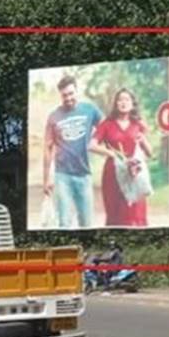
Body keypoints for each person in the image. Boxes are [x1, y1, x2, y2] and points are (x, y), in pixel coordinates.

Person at [43, 74, 103, 229]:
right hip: (63, 175)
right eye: (64, 95)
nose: (68, 98)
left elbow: (106, 128)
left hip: (84, 174)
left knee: (86, 222)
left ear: (77, 91)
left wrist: (100, 144)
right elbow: (48, 148)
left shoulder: (90, 110)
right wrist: (46, 179)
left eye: (71, 94)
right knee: (64, 222)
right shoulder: (54, 116)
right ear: (60, 96)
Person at [91, 87, 154, 227]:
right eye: (120, 100)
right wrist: (110, 153)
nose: (123, 102)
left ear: (132, 104)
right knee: (115, 214)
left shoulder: (138, 124)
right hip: (113, 173)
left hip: (134, 173)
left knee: (136, 214)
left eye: (126, 99)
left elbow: (149, 153)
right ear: (115, 104)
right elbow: (91, 145)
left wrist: (143, 140)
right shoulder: (107, 124)